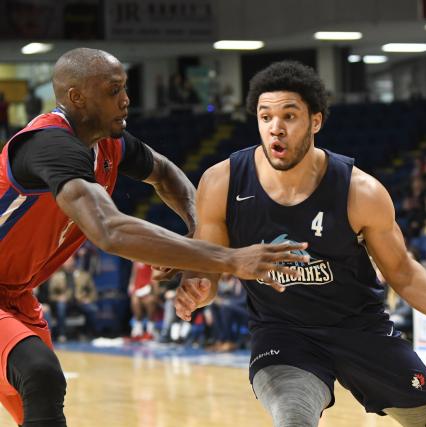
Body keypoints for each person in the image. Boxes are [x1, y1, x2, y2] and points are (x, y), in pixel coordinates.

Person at [0, 48, 307, 427]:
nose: (126, 99)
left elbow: (165, 173)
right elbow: (109, 229)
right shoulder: (49, 145)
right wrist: (228, 258)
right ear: (76, 97)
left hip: (15, 294)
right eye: (113, 90)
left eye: (124, 87)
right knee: (39, 373)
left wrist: (194, 227)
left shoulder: (109, 144)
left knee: (43, 390)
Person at [174, 61, 426, 427]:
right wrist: (198, 288)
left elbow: (401, 271)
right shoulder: (222, 183)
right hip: (282, 333)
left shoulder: (360, 192)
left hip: (360, 329)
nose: (275, 128)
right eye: (265, 116)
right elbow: (210, 268)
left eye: (289, 116)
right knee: (293, 420)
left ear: (315, 122)